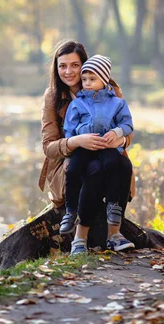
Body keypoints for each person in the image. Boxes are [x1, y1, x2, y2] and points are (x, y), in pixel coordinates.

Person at [38, 40, 135, 255]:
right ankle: (79, 239)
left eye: (74, 65)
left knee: (121, 165)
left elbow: (127, 128)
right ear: (56, 68)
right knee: (93, 169)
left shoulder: (108, 88)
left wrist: (119, 139)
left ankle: (114, 235)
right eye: (62, 66)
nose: (68, 71)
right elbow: (48, 147)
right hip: (74, 158)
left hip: (107, 152)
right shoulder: (53, 96)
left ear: (85, 64)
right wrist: (76, 141)